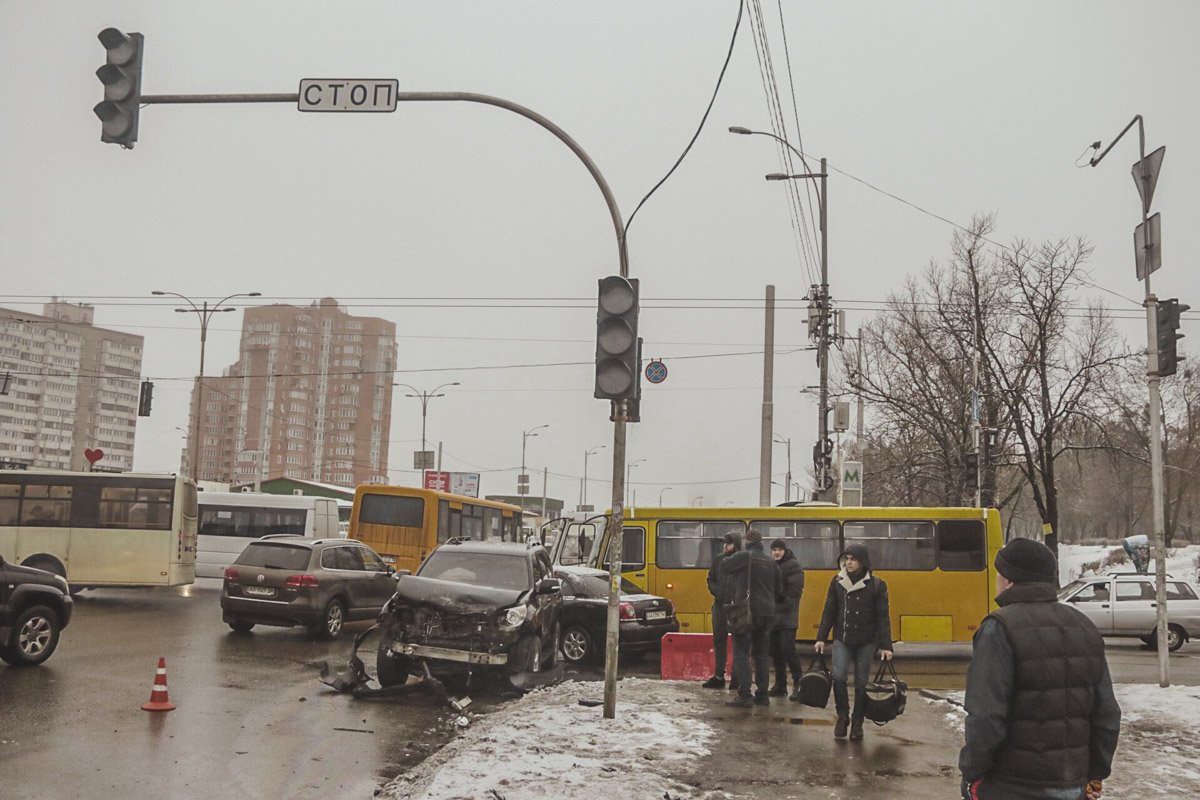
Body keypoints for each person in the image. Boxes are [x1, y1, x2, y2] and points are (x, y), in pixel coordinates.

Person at [959, 537, 1120, 800]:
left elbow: (986, 716)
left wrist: (971, 771)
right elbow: (1107, 715)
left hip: (1012, 782)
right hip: (1072, 783)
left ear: (1009, 580)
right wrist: (1094, 773)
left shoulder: (999, 627)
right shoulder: (1084, 626)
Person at [814, 543, 893, 740]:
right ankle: (843, 716)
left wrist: (886, 645)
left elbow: (883, 617)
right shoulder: (837, 582)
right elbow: (829, 610)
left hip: (866, 641)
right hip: (843, 638)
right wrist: (821, 638)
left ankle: (858, 722)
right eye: (847, 559)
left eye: (853, 559)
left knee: (861, 684)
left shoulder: (877, 585)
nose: (849, 562)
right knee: (838, 677)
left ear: (863, 562)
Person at [719, 529, 778, 708]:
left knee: (742, 653)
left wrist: (731, 553)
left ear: (746, 542)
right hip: (767, 612)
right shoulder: (771, 561)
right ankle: (762, 695)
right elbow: (779, 587)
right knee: (761, 655)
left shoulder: (745, 556)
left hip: (747, 612)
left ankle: (745, 695)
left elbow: (724, 566)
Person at [702, 532, 741, 689]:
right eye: (725, 543)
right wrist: (717, 592)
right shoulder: (718, 559)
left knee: (739, 642)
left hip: (737, 607)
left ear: (736, 545)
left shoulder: (742, 560)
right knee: (719, 640)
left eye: (729, 543)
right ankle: (719, 675)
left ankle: (736, 676)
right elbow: (711, 578)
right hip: (719, 605)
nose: (725, 546)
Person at [768, 538, 805, 698]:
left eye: (779, 550)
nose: (776, 552)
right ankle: (780, 684)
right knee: (775, 651)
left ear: (784, 550)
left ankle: (798, 683)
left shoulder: (793, 566)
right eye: (774, 549)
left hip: (787, 617)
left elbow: (795, 592)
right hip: (773, 616)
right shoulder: (772, 565)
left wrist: (781, 603)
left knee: (788, 650)